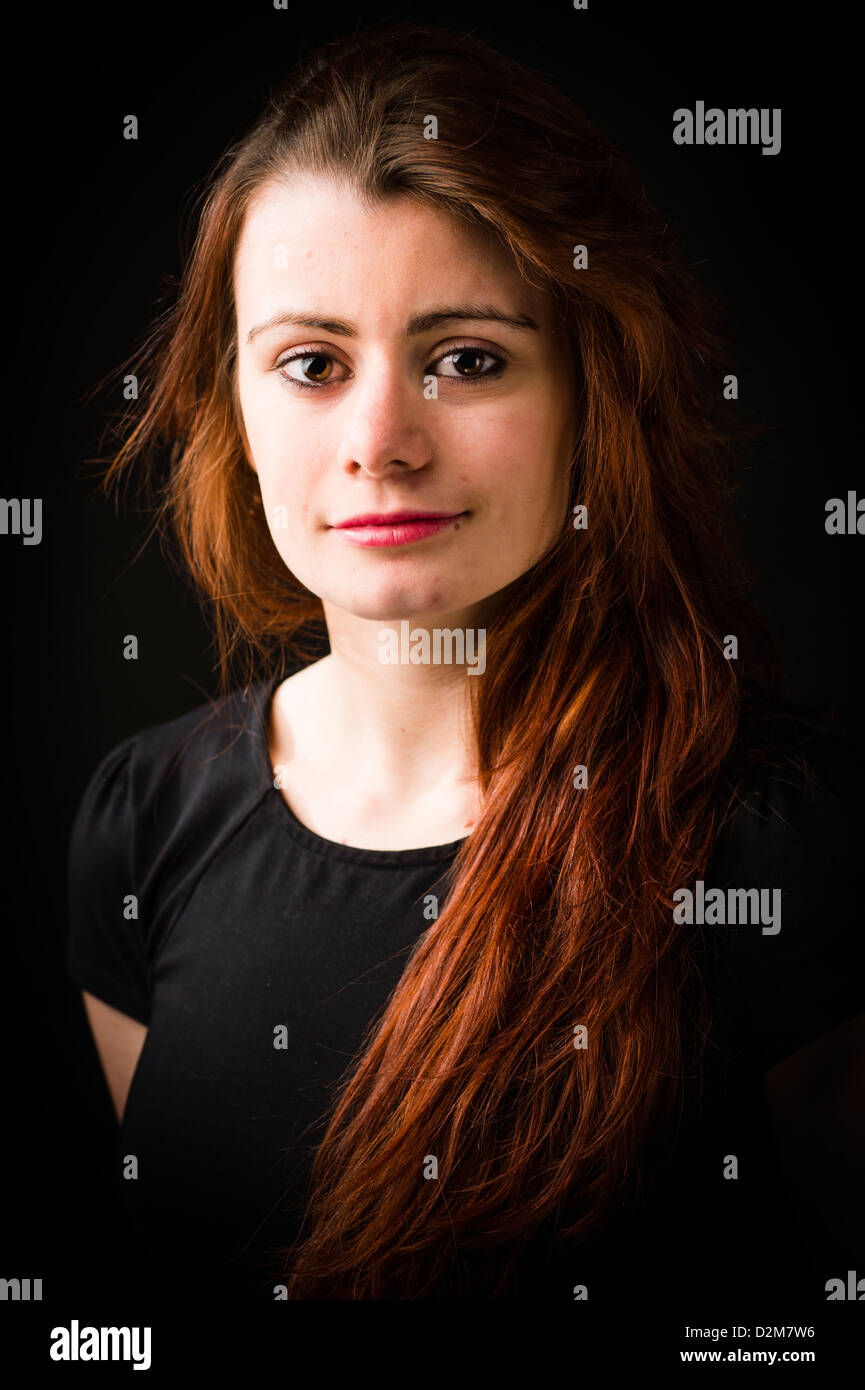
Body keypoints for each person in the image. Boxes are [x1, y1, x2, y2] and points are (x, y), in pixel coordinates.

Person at [67, 21, 864, 1304]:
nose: (381, 439)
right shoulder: (140, 820)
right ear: (239, 415)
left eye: (467, 360)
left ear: (590, 398)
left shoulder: (779, 841)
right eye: (311, 364)